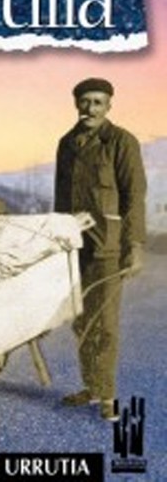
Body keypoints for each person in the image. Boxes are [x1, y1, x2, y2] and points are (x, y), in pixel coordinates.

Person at [54, 78, 146, 420]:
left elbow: (134, 196)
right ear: (76, 103)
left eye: (97, 102)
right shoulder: (67, 143)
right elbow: (61, 197)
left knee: (104, 323)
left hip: (108, 247)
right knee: (81, 321)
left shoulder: (121, 141)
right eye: (85, 101)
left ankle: (106, 394)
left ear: (108, 106)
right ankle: (91, 387)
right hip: (74, 246)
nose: (90, 108)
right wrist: (57, 238)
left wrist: (135, 246)